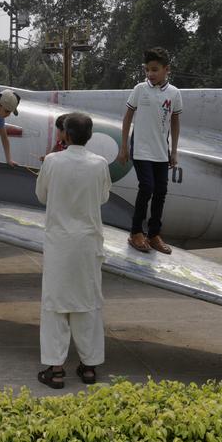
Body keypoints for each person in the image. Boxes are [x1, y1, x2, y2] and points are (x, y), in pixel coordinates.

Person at [34, 113, 111, 389]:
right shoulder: (100, 164)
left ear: (64, 135)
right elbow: (103, 197)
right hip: (88, 243)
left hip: (60, 243)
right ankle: (89, 367)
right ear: (90, 136)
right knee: (87, 303)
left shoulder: (52, 161)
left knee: (55, 305)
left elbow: (41, 195)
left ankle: (55, 370)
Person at [117, 48, 182, 255]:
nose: (150, 74)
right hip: (141, 149)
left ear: (166, 69)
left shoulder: (174, 93)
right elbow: (127, 117)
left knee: (161, 191)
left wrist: (174, 151)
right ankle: (136, 232)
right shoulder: (140, 89)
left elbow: (175, 122)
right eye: (147, 70)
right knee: (147, 187)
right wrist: (124, 146)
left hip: (161, 151)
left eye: (155, 69)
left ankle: (154, 235)